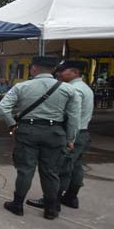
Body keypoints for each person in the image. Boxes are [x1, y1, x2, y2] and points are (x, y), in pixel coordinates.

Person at [0, 56, 80, 219]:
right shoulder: (69, 90)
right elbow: (74, 118)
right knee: (51, 172)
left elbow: (2, 108)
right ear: (54, 70)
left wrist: (12, 124)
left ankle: (18, 205)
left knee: (25, 170)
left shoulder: (21, 87)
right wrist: (71, 139)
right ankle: (50, 209)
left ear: (34, 68)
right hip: (55, 133)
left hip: (28, 131)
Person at [26, 60, 94, 211]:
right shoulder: (85, 88)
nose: (59, 73)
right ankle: (71, 197)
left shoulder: (72, 89)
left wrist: (68, 138)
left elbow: (70, 116)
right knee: (75, 166)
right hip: (83, 133)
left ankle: (52, 201)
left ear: (75, 72)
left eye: (63, 71)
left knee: (59, 168)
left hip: (72, 133)